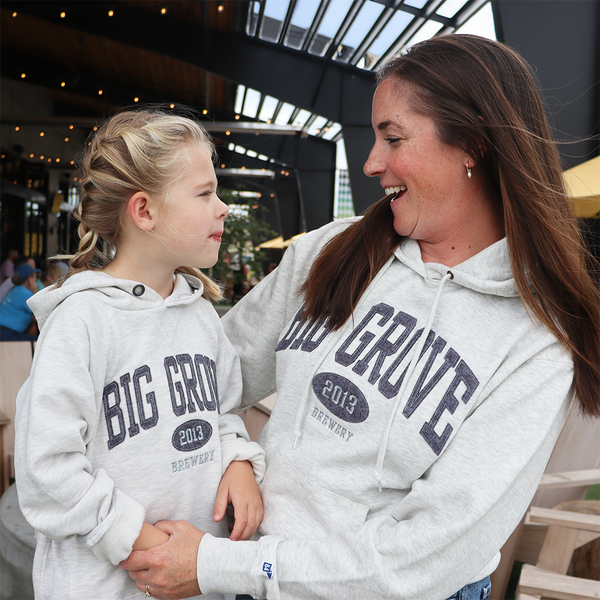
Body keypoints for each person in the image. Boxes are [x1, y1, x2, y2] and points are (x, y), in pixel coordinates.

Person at [121, 34, 600, 600]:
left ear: (471, 142)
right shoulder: (330, 252)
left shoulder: (536, 339)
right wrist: (235, 451)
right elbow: (203, 379)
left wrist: (223, 567)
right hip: (247, 571)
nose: (372, 163)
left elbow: (428, 557)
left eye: (393, 137)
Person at [14, 108, 265, 600]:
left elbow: (222, 413)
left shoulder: (199, 315)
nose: (222, 208)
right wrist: (147, 545)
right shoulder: (82, 321)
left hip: (198, 581)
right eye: (204, 193)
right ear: (144, 211)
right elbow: (48, 469)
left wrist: (237, 461)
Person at [0, 263, 40, 341]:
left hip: (4, 332)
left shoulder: (15, 289)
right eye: (35, 276)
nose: (37, 279)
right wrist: (35, 291)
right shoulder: (26, 294)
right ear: (29, 279)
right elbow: (43, 311)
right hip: (7, 333)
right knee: (40, 343)